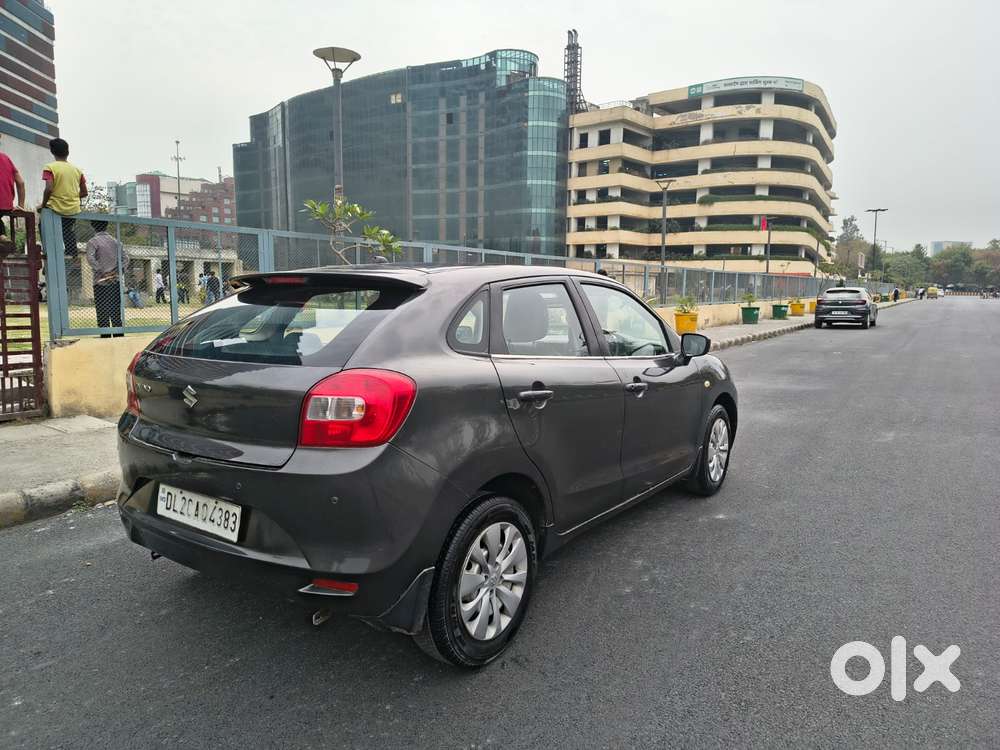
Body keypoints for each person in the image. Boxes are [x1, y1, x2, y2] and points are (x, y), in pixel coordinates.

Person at [39, 138, 87, 257]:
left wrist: (43, 205)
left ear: (52, 151)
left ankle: (49, 254)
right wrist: (72, 197)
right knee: (67, 229)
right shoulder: (77, 170)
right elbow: (84, 192)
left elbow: (49, 189)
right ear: (68, 152)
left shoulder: (50, 167)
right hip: (72, 209)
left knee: (44, 227)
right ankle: (72, 253)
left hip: (54, 208)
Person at [84, 220, 123, 338]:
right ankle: (118, 336)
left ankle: (105, 336)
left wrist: (102, 271)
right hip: (114, 280)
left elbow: (90, 258)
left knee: (102, 311)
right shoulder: (116, 242)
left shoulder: (93, 241)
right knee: (115, 311)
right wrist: (116, 271)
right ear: (106, 226)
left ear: (93, 227)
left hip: (100, 281)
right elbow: (125, 259)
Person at [0, 135, 26, 237]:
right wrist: (20, 206)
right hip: (7, 206)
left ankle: (1, 235)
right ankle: (2, 235)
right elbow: (21, 182)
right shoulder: (6, 158)